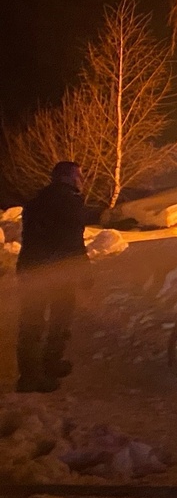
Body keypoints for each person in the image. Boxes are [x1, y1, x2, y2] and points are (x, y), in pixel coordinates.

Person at [15, 161, 91, 393]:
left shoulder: (38, 200)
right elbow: (73, 241)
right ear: (67, 178)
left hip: (31, 268)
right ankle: (38, 373)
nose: (81, 180)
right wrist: (84, 271)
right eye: (78, 175)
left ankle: (35, 371)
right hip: (56, 271)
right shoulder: (69, 202)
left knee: (32, 320)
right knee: (58, 318)